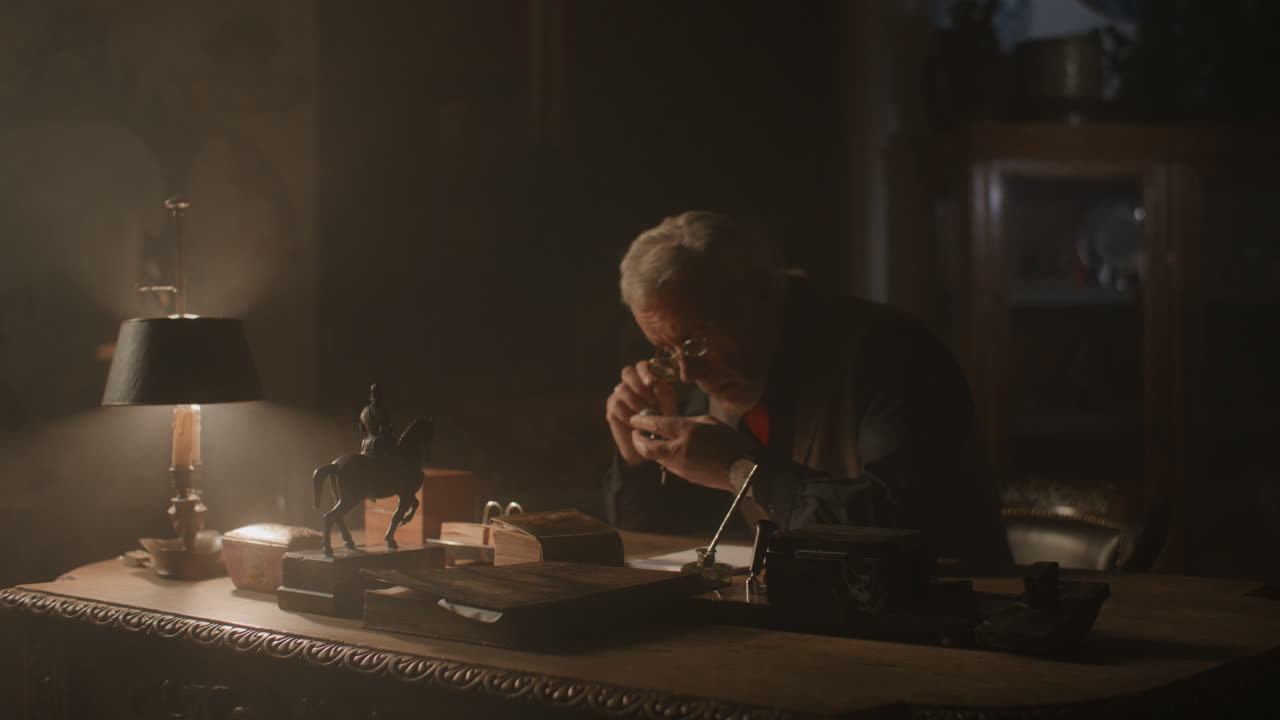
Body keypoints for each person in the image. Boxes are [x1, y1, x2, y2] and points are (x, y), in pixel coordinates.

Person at [603, 210, 1011, 570]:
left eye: (698, 340)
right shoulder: (713, 373)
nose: (688, 373)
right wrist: (639, 456)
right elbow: (663, 545)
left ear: (763, 295)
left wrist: (740, 469)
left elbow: (901, 521)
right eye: (665, 350)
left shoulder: (889, 351)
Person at [358, 383, 396, 457]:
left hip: (366, 443)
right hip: (380, 444)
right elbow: (385, 429)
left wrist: (369, 435)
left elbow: (361, 427)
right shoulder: (383, 410)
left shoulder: (364, 410)